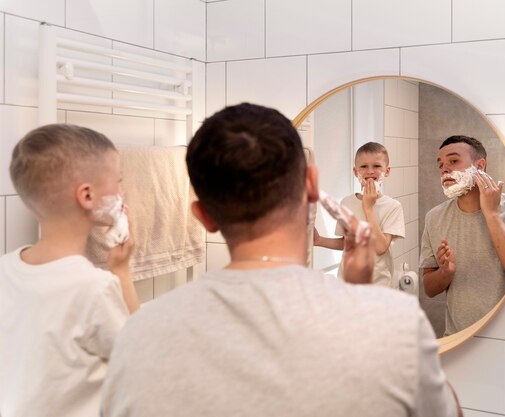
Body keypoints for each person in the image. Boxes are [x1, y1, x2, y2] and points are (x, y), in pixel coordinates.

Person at [101, 103, 462, 417]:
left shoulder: (140, 334)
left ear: (204, 216)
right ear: (312, 185)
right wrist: (360, 300)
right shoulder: (394, 324)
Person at [0, 124, 139, 417]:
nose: (123, 191)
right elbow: (139, 360)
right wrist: (122, 272)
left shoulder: (5, 268)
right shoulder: (93, 287)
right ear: (87, 195)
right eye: (119, 181)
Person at [420, 135, 505, 336]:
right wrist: (445, 273)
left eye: (453, 161)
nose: (444, 169)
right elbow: (429, 289)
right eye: (440, 165)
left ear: (480, 165)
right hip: (457, 338)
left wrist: (492, 214)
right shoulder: (434, 218)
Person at [314, 142, 405, 287]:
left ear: (387, 171)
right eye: (363, 167)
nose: (370, 171)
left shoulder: (393, 207)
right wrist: (319, 241)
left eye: (376, 166)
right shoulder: (346, 203)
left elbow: (380, 248)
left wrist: (368, 208)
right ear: (356, 172)